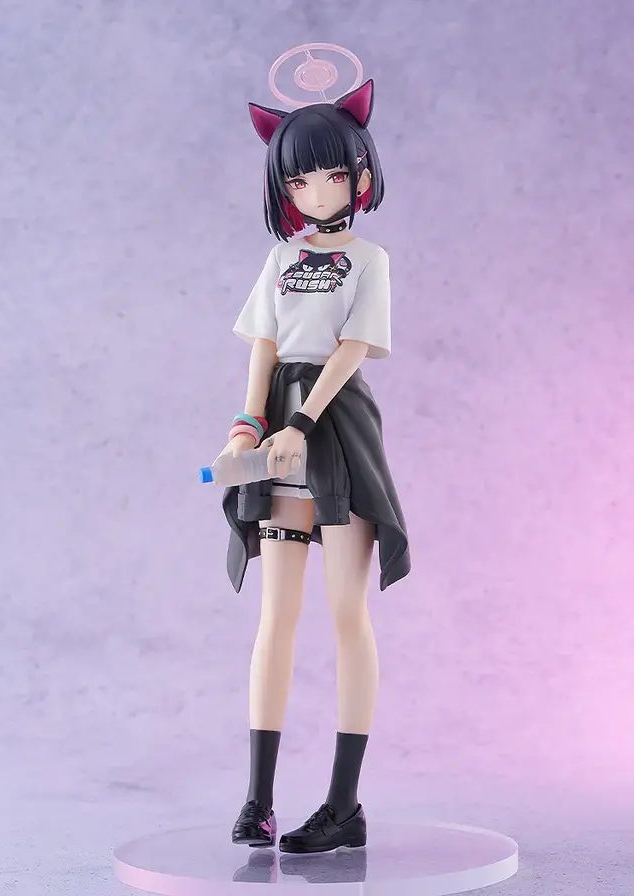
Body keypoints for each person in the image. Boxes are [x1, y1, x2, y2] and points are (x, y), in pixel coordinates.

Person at [218, 78, 411, 854]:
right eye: (299, 178)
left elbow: (354, 349)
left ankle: (343, 805)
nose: (318, 190)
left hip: (337, 430)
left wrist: (301, 423)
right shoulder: (280, 258)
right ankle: (258, 800)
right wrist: (248, 426)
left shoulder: (370, 259)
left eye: (333, 173)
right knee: (277, 615)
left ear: (360, 173)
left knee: (345, 612)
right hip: (279, 434)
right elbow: (264, 348)